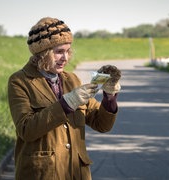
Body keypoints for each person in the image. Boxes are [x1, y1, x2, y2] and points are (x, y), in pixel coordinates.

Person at [7, 17, 121, 180]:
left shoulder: (71, 79)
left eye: (68, 51)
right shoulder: (19, 81)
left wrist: (109, 97)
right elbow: (26, 130)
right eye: (59, 52)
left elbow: (101, 124)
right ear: (42, 53)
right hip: (43, 174)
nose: (65, 58)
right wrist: (68, 103)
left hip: (76, 174)